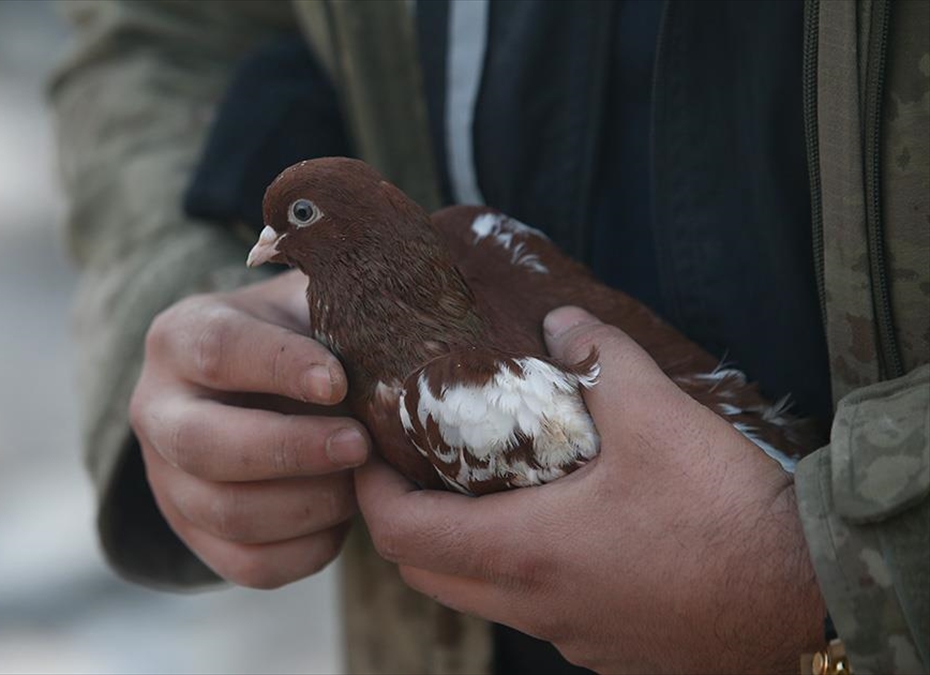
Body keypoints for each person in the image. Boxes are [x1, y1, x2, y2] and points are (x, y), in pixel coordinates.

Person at [48, 1, 928, 673]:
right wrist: (192, 306)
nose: (276, 238)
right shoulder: (433, 270)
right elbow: (166, 35)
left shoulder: (457, 395)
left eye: (301, 220)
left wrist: (841, 569)